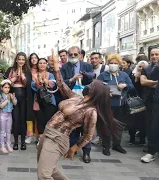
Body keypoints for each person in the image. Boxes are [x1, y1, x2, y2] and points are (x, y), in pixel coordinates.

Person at [37, 49, 120, 180]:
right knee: (49, 168)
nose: (89, 85)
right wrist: (57, 69)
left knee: (43, 175)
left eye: (92, 85)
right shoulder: (77, 98)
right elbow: (61, 85)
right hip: (47, 133)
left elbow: (88, 136)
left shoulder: (91, 111)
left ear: (95, 92)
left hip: (57, 139)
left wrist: (74, 148)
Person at [61, 46, 95, 163]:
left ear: (80, 55)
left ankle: (86, 152)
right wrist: (71, 79)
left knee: (87, 127)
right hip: (72, 101)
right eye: (71, 55)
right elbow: (61, 82)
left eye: (75, 54)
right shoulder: (65, 67)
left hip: (86, 101)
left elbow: (92, 78)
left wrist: (83, 75)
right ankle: (72, 148)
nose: (73, 56)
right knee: (72, 126)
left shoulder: (87, 66)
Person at [98, 54, 134, 156]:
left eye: (115, 63)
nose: (113, 65)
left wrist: (125, 85)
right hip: (107, 104)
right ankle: (106, 145)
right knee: (107, 125)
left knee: (119, 126)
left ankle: (117, 144)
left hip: (121, 105)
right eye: (111, 63)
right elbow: (96, 87)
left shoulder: (123, 75)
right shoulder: (103, 75)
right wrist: (105, 90)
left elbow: (132, 87)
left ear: (119, 64)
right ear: (108, 64)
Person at [31, 58, 58, 144]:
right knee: (40, 120)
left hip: (49, 100)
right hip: (38, 100)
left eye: (44, 63)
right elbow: (32, 86)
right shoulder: (35, 75)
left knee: (49, 121)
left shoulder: (50, 74)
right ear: (37, 65)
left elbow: (53, 85)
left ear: (46, 64)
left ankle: (48, 140)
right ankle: (41, 140)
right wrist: (37, 83)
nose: (42, 65)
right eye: (40, 63)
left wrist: (46, 81)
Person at [6, 52, 28, 150]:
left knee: (23, 120)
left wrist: (22, 74)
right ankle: (15, 142)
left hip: (24, 95)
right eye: (19, 59)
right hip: (13, 95)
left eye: (23, 59)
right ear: (16, 60)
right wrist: (15, 77)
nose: (21, 61)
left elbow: (26, 83)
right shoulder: (11, 70)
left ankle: (23, 142)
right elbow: (7, 83)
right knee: (15, 119)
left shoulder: (27, 70)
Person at [0, 80, 17, 153]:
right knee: (2, 131)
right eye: (5, 87)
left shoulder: (11, 95)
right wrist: (7, 99)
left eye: (8, 87)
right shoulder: (0, 96)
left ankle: (8, 145)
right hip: (2, 114)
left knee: (8, 131)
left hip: (9, 115)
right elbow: (1, 105)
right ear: (2, 88)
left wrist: (13, 98)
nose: (7, 89)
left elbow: (15, 103)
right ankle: (2, 146)